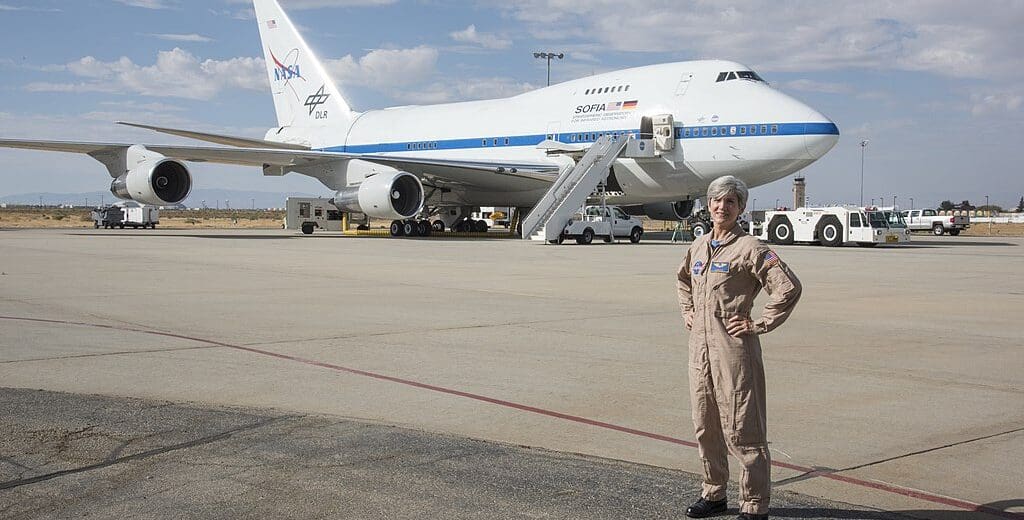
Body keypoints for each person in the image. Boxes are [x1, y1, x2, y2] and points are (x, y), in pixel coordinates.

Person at [677, 176, 802, 520]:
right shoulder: (699, 246)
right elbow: (683, 279)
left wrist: (758, 323)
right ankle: (714, 492)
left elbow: (788, 287)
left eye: (730, 202)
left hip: (733, 348)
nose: (722, 207)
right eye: (717, 201)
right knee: (705, 424)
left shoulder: (750, 248)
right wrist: (688, 312)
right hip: (699, 349)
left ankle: (753, 504)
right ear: (708, 204)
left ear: (741, 208)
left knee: (743, 427)